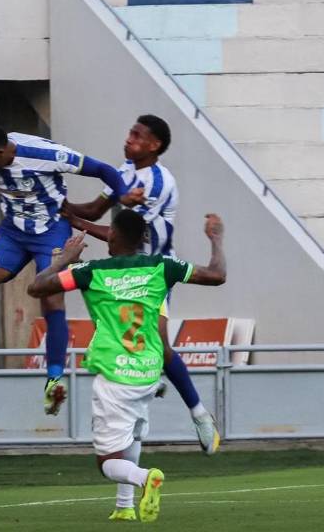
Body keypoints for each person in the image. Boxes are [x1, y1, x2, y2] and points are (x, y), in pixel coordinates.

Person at [27, 210, 226, 522]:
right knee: (131, 435)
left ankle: (145, 478)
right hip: (148, 371)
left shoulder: (90, 271)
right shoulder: (163, 266)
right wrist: (215, 239)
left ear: (112, 236)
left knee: (107, 462)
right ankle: (124, 506)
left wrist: (64, 258)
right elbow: (217, 274)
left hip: (115, 376)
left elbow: (37, 287)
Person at [0, 125, 144, 415]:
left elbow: (105, 170)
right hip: (12, 231)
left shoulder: (45, 155)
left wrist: (122, 195)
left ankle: (54, 380)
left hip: (52, 230)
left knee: (51, 297)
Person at [63, 114, 220, 454]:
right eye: (130, 132)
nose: (129, 139)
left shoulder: (159, 182)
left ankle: (199, 414)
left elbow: (125, 233)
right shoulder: (123, 170)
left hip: (152, 274)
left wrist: (75, 221)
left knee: (161, 347)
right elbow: (94, 208)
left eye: (137, 135)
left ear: (155, 145)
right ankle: (151, 383)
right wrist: (58, 203)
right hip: (122, 271)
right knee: (121, 335)